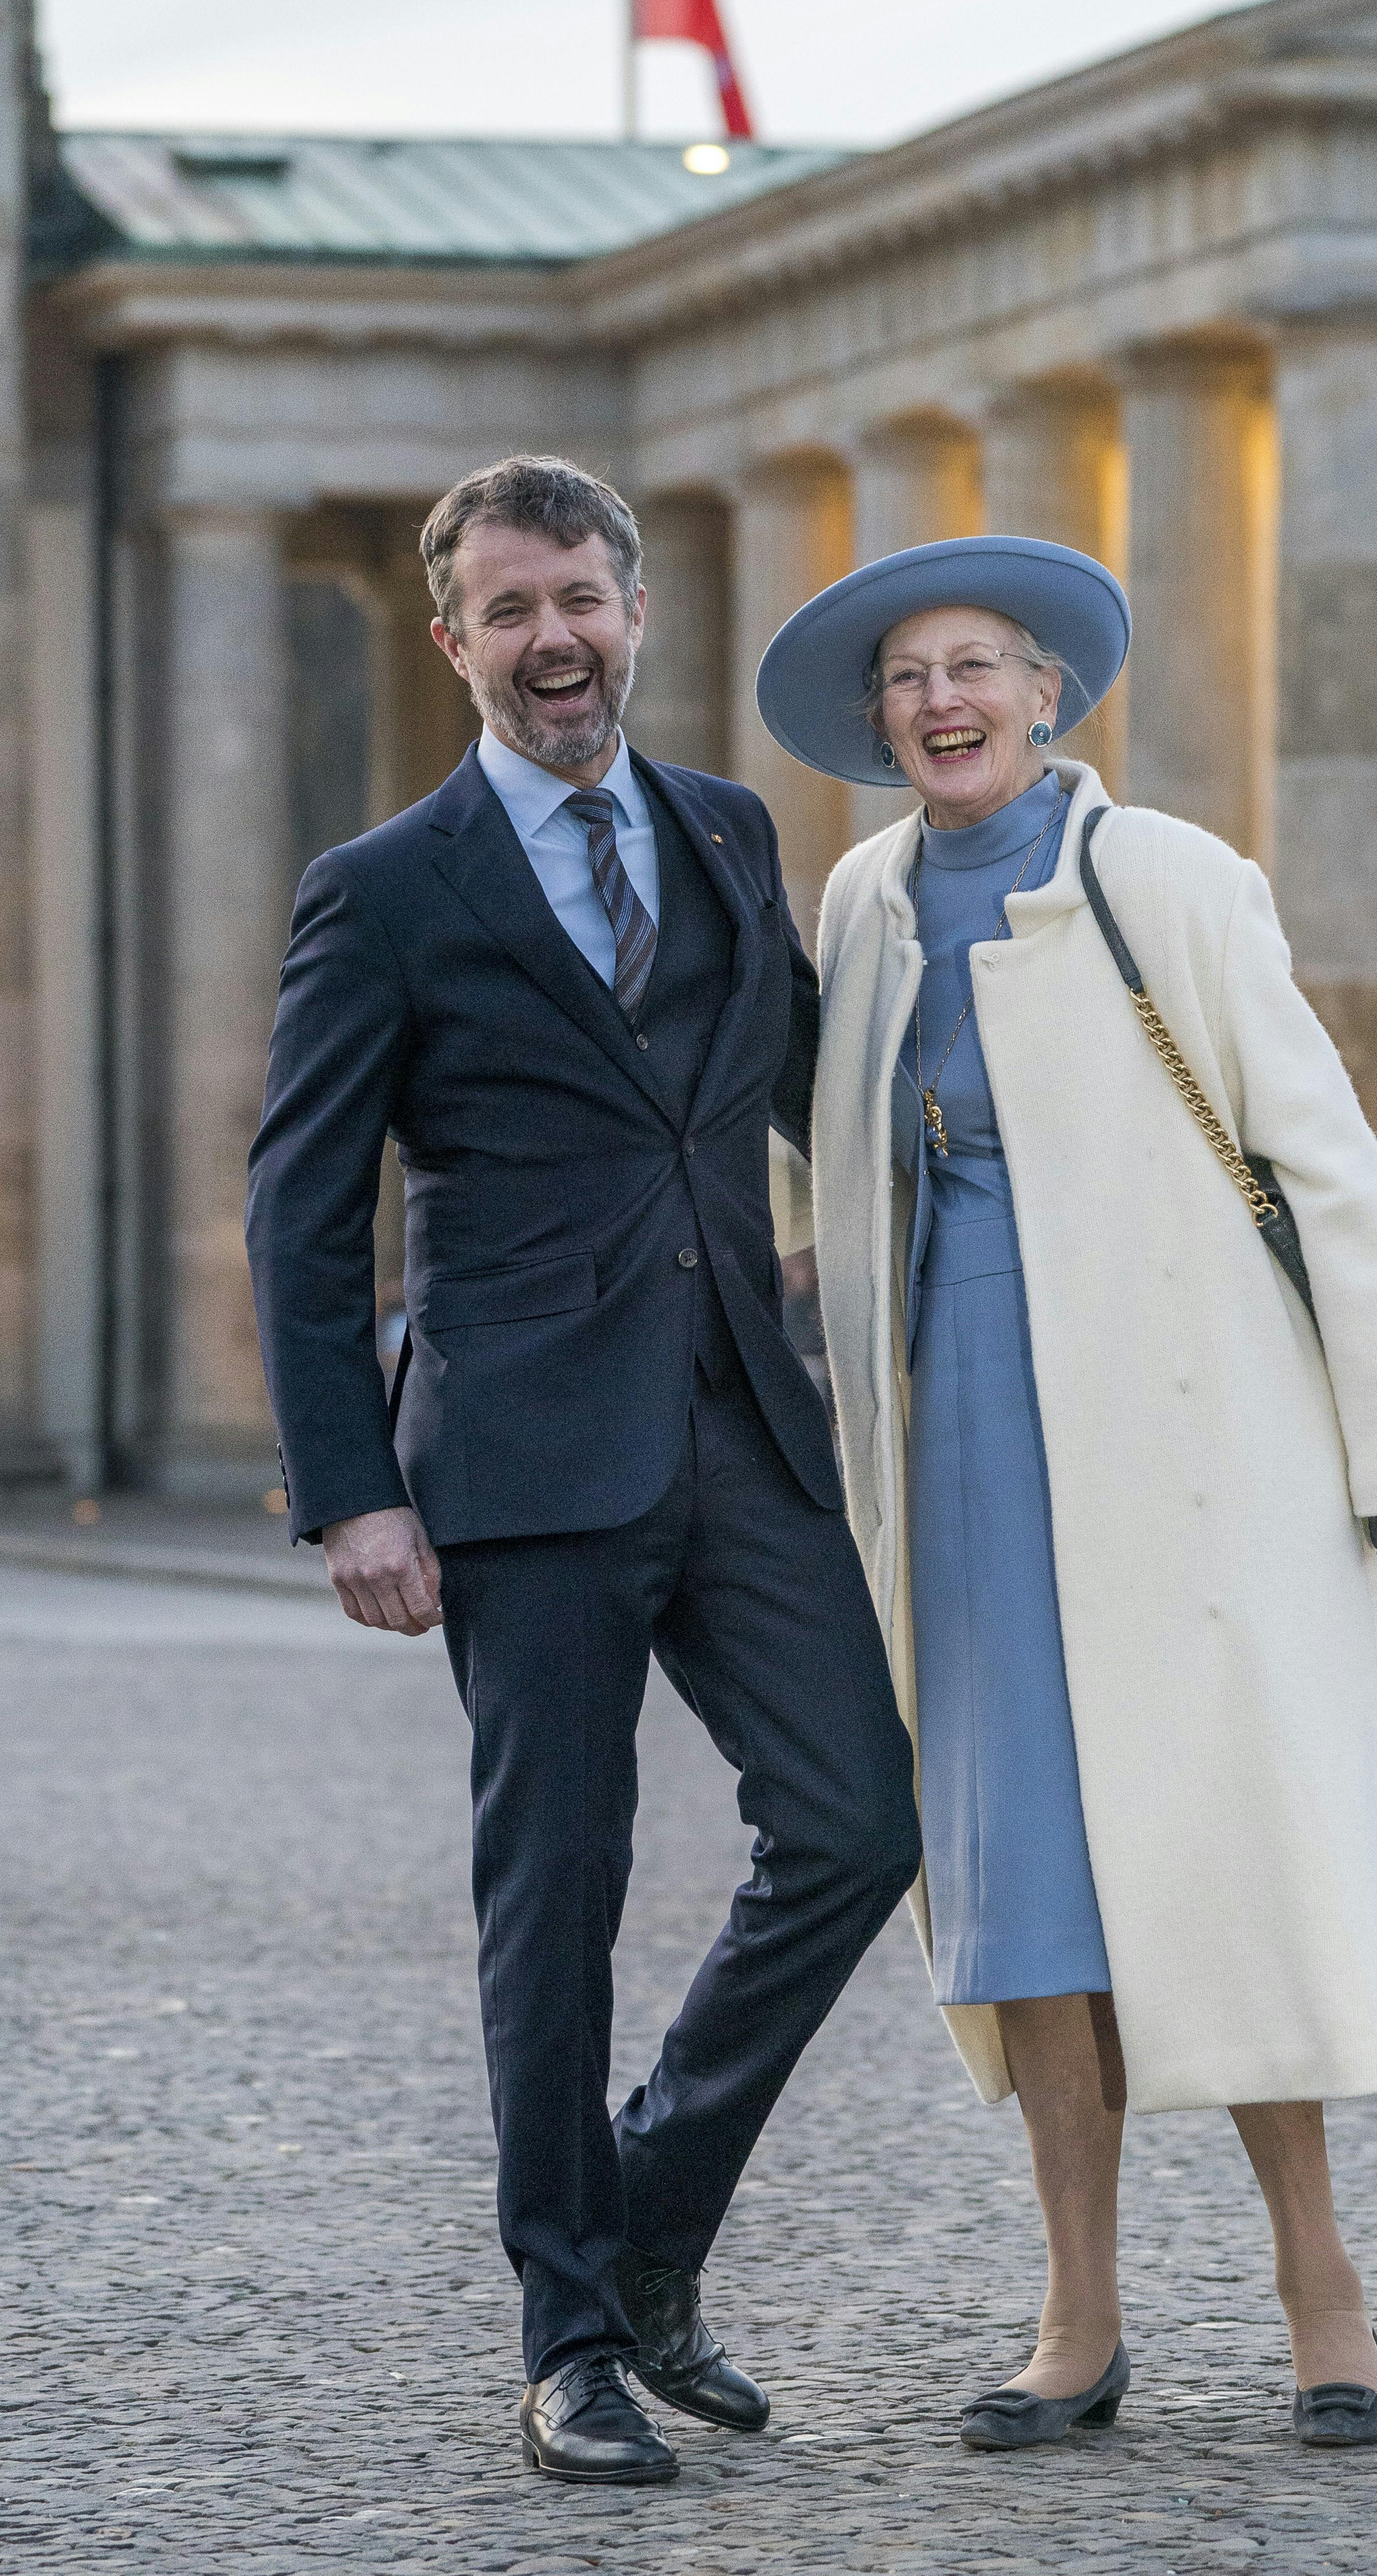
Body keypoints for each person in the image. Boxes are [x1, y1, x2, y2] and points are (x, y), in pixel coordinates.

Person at [755, 535, 1377, 2455]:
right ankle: (1077, 2311)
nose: (938, 703)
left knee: (1220, 1860)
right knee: (1024, 1895)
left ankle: (1321, 2285)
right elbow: (826, 1182)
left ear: (1049, 697)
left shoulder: (1165, 878)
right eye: (906, 681)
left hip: (1188, 1452)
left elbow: (1316, 1152)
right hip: (961, 1436)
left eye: (970, 668)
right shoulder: (861, 900)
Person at [245, 458, 921, 2490]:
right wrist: (350, 1488)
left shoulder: (723, 827)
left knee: (862, 1819)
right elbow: (297, 1212)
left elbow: (821, 1090)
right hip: (523, 1459)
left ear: (637, 613)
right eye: (513, 609)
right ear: (455, 638)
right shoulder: (384, 886)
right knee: (560, 1897)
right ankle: (571, 2341)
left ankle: (641, 2230)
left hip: (740, 1418)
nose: (557, 641)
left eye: (585, 601)